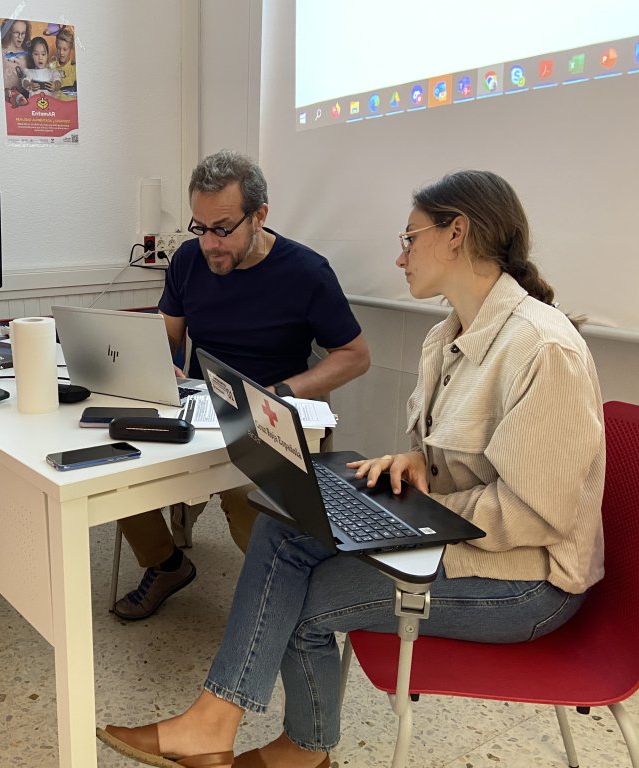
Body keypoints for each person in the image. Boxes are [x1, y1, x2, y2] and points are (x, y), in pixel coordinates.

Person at [97, 169, 605, 768]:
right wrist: (413, 467)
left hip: (524, 583)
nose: (399, 256)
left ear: (457, 234)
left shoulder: (543, 350)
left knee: (301, 595)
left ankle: (287, 748)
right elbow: (463, 460)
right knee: (285, 520)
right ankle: (229, 727)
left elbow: (536, 516)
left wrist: (407, 515)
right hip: (456, 539)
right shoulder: (448, 336)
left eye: (410, 238)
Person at [113, 149, 369, 620]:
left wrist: (284, 392)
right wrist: (153, 364)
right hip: (199, 409)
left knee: (241, 496)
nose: (209, 243)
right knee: (114, 469)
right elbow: (168, 334)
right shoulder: (189, 260)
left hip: (267, 419)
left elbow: (355, 357)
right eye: (200, 227)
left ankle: (278, 601)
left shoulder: (307, 272)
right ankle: (166, 564)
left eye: (223, 229)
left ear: (260, 216)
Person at [0, 18, 31, 107]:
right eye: (17, 33)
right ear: (10, 32)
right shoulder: (2, 51)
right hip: (4, 99)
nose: (20, 37)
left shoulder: (27, 53)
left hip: (21, 98)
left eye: (23, 33)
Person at [49, 26, 77, 97]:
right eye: (59, 48)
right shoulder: (51, 67)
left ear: (71, 49)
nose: (61, 52)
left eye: (65, 49)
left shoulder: (75, 69)